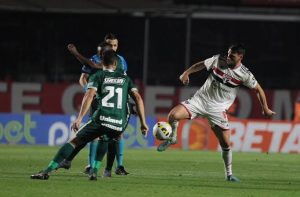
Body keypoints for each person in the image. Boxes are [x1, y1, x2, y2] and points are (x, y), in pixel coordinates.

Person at [157, 44, 276, 182]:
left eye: (232, 55)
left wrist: (265, 108)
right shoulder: (218, 60)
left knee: (225, 144)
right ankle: (172, 138)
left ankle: (229, 175)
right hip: (200, 101)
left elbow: (259, 90)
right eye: (228, 53)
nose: (228, 57)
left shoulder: (245, 74)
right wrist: (186, 73)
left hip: (218, 110)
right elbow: (201, 64)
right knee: (173, 115)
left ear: (240, 57)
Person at [30, 49, 148, 180]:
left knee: (74, 142)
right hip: (119, 124)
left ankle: (46, 171)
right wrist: (143, 123)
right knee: (105, 138)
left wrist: (79, 118)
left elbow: (89, 95)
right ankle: (94, 172)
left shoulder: (98, 76)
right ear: (115, 64)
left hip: (101, 118)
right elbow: (138, 98)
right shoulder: (126, 79)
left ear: (102, 62)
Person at [60, 33, 131, 177]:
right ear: (104, 45)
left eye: (115, 45)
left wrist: (127, 99)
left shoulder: (120, 60)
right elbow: (83, 78)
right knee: (94, 134)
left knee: (118, 134)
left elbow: (121, 81)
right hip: (99, 101)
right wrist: (91, 92)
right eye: (110, 45)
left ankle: (119, 166)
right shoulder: (96, 58)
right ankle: (91, 165)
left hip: (115, 102)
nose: (112, 48)